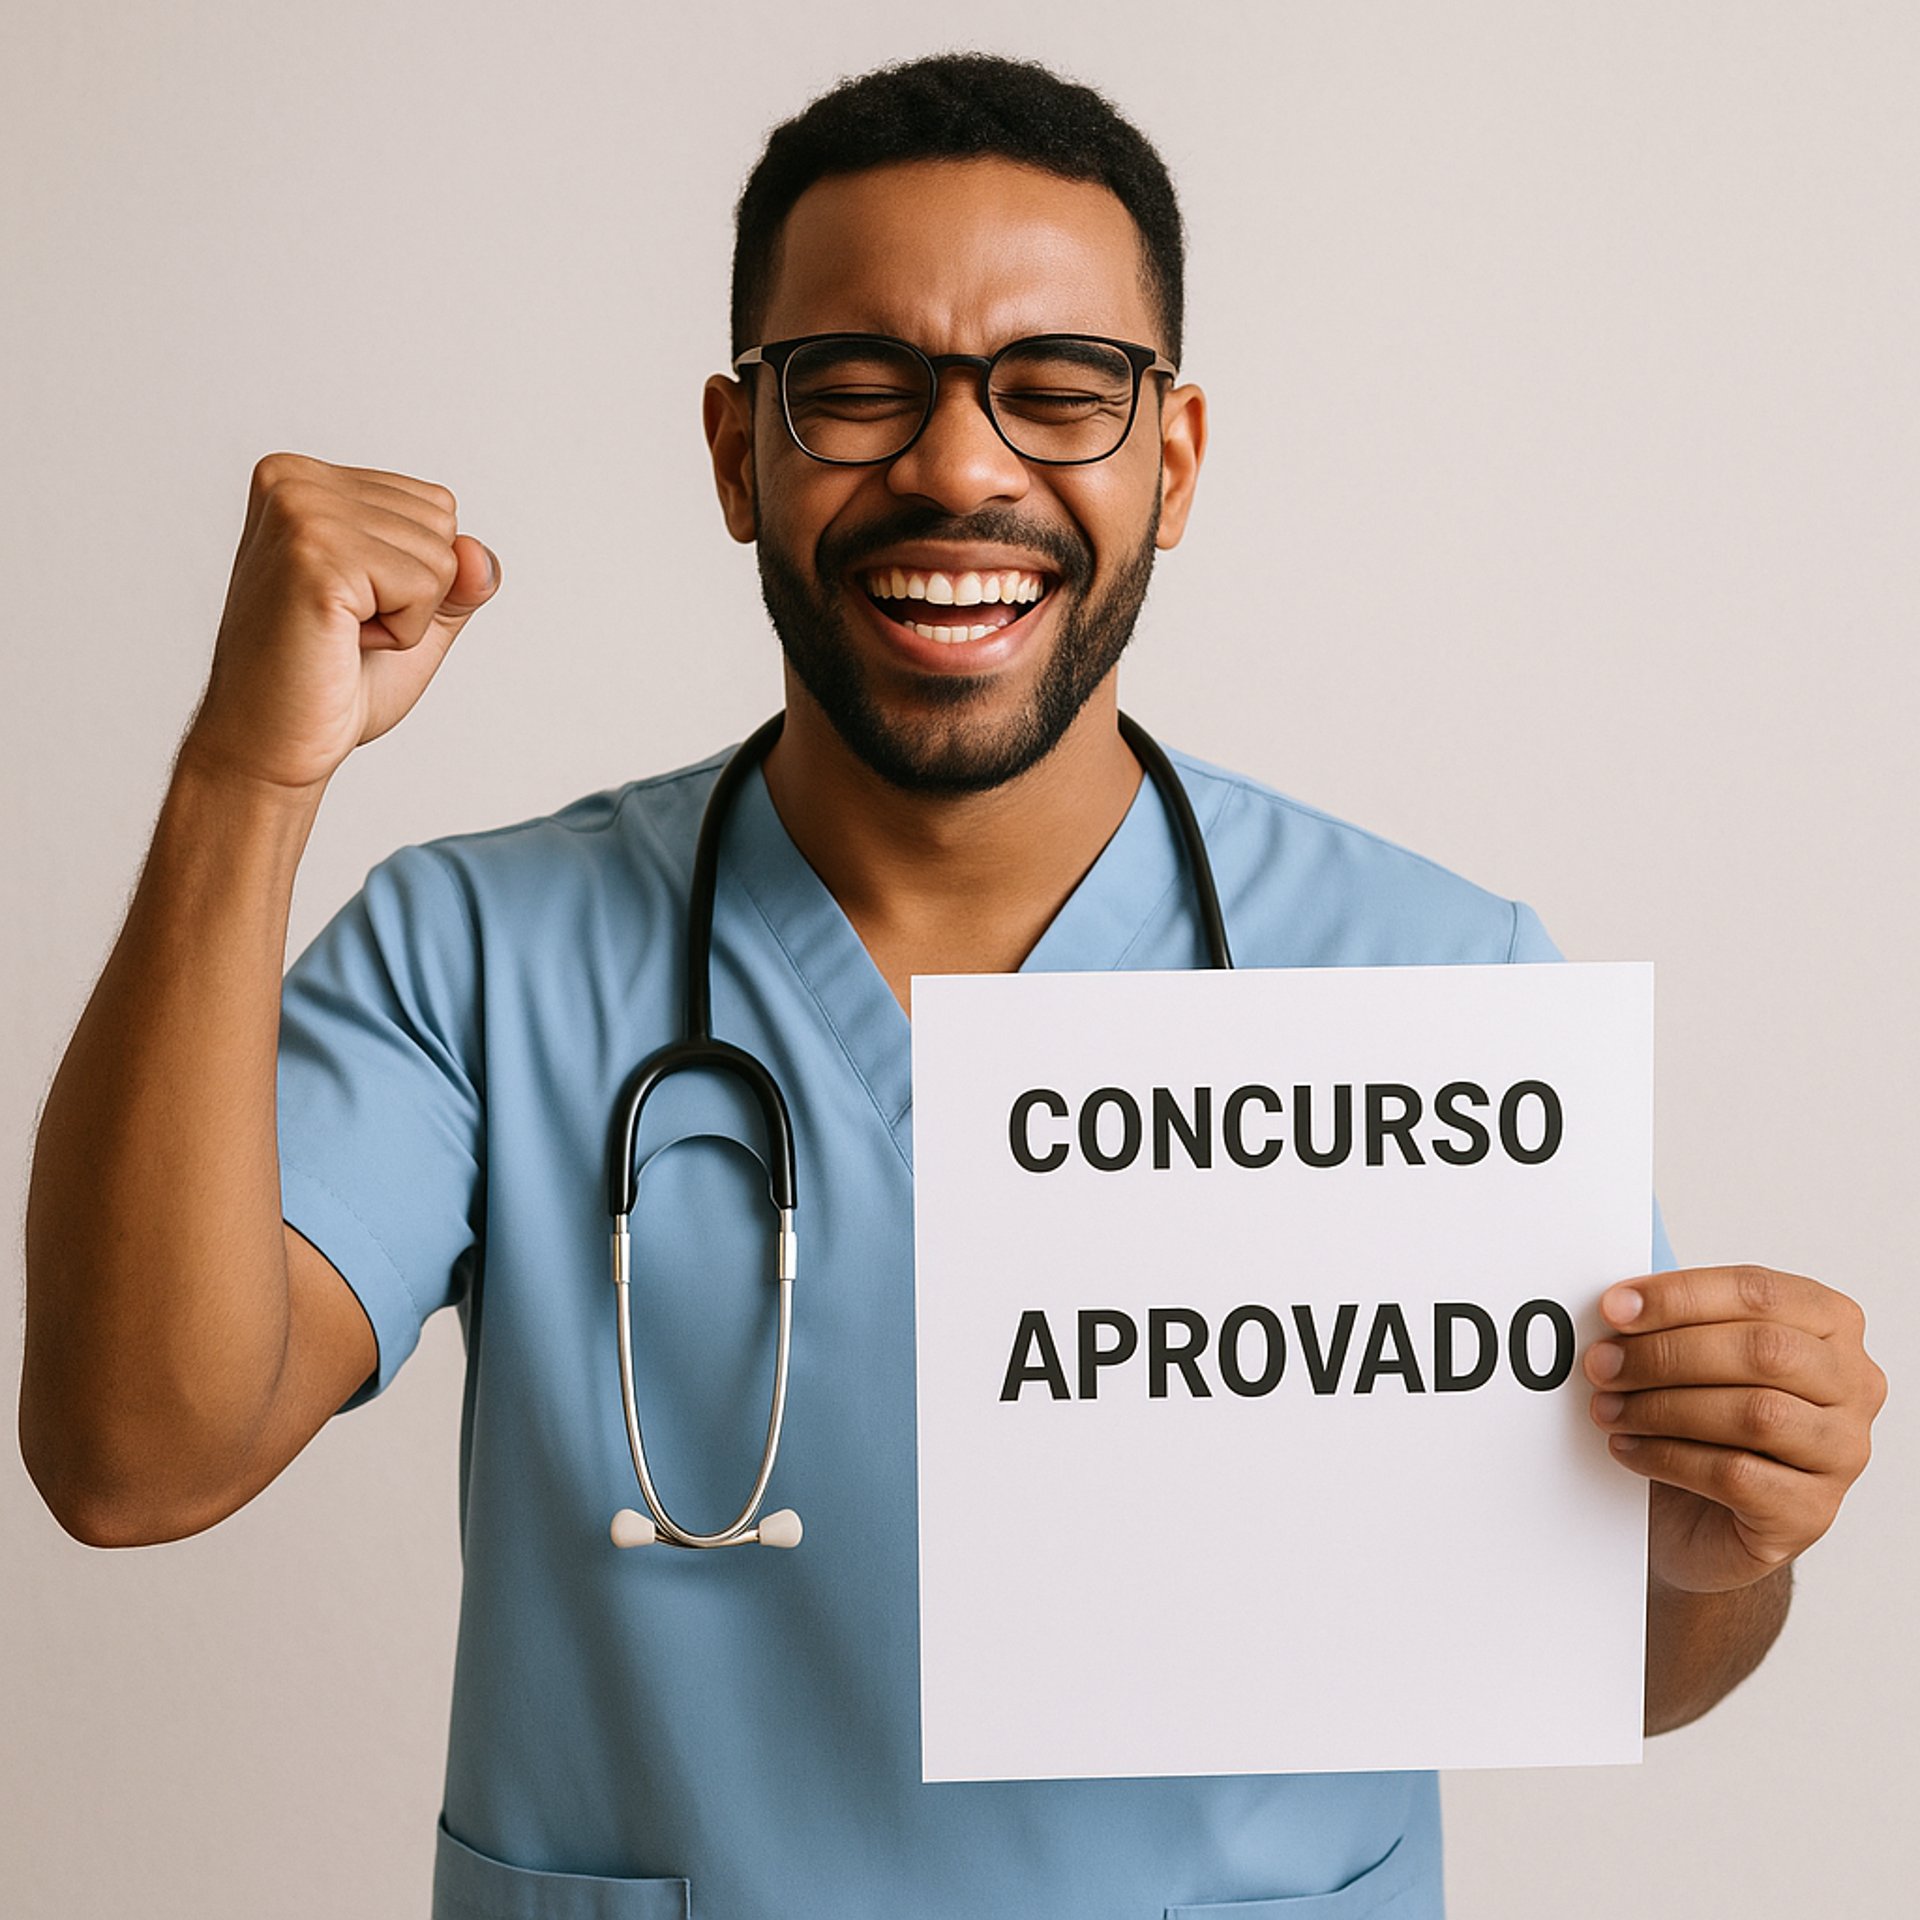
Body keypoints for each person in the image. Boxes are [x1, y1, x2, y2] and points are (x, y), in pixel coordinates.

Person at [21, 50, 1885, 1920]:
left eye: (1061, 391)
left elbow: (1620, 1666)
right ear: (739, 453)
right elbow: (131, 1457)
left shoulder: (1434, 981)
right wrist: (248, 776)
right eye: (854, 390)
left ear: (1173, 461)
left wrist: (1716, 1555)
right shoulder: (481, 955)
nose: (960, 466)